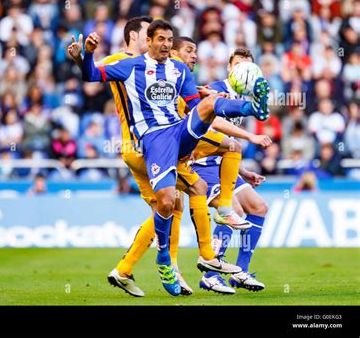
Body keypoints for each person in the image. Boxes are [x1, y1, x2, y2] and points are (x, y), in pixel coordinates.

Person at [81, 19, 271, 296]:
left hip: (179, 132)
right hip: (150, 141)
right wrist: (85, 53)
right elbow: (91, 75)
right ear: (146, 39)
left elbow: (196, 106)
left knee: (207, 160)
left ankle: (253, 107)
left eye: (170, 40)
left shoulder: (179, 70)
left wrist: (210, 101)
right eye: (162, 39)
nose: (167, 45)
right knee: (169, 202)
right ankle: (166, 260)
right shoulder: (126, 64)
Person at [197, 48, 270, 294]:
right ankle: (210, 274)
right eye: (239, 64)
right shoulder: (216, 89)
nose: (244, 70)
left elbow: (228, 144)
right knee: (234, 211)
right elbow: (211, 124)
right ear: (230, 68)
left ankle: (240, 272)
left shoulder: (244, 101)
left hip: (223, 164)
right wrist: (251, 136)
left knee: (258, 207)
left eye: (249, 66)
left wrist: (244, 171)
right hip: (202, 161)